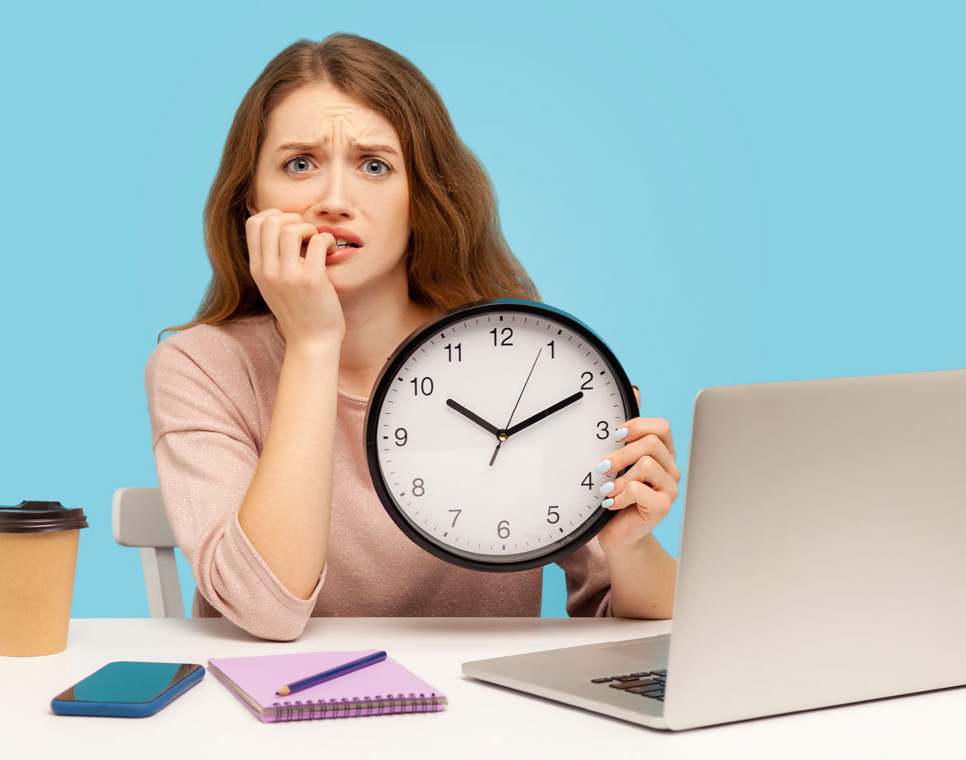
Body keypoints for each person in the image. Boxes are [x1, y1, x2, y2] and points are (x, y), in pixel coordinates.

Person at [145, 33, 680, 641]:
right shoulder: (201, 365)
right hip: (279, 720)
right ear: (251, 199)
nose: (334, 200)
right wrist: (314, 343)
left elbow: (630, 620)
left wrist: (631, 545)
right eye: (300, 164)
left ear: (419, 197)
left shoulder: (516, 351)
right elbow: (268, 610)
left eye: (375, 166)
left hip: (484, 722)